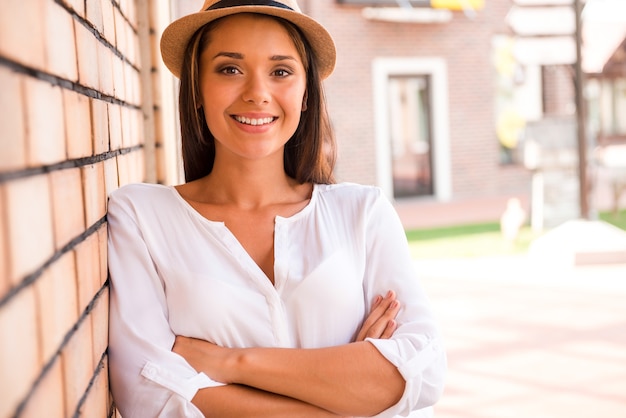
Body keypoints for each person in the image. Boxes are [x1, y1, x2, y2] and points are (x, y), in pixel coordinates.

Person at [107, 1, 446, 417]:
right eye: (230, 69)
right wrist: (349, 391)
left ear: (306, 96)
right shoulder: (142, 216)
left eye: (281, 71)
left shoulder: (363, 213)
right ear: (196, 88)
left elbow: (423, 372)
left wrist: (230, 363)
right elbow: (149, 394)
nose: (257, 92)